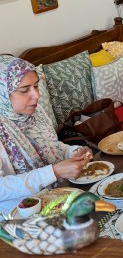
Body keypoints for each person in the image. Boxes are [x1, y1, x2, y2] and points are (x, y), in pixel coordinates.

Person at [0, 55, 93, 214]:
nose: (37, 95)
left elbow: (52, 147)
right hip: (21, 215)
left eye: (36, 86)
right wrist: (54, 172)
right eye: (25, 90)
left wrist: (73, 152)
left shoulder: (35, 112)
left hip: (59, 197)